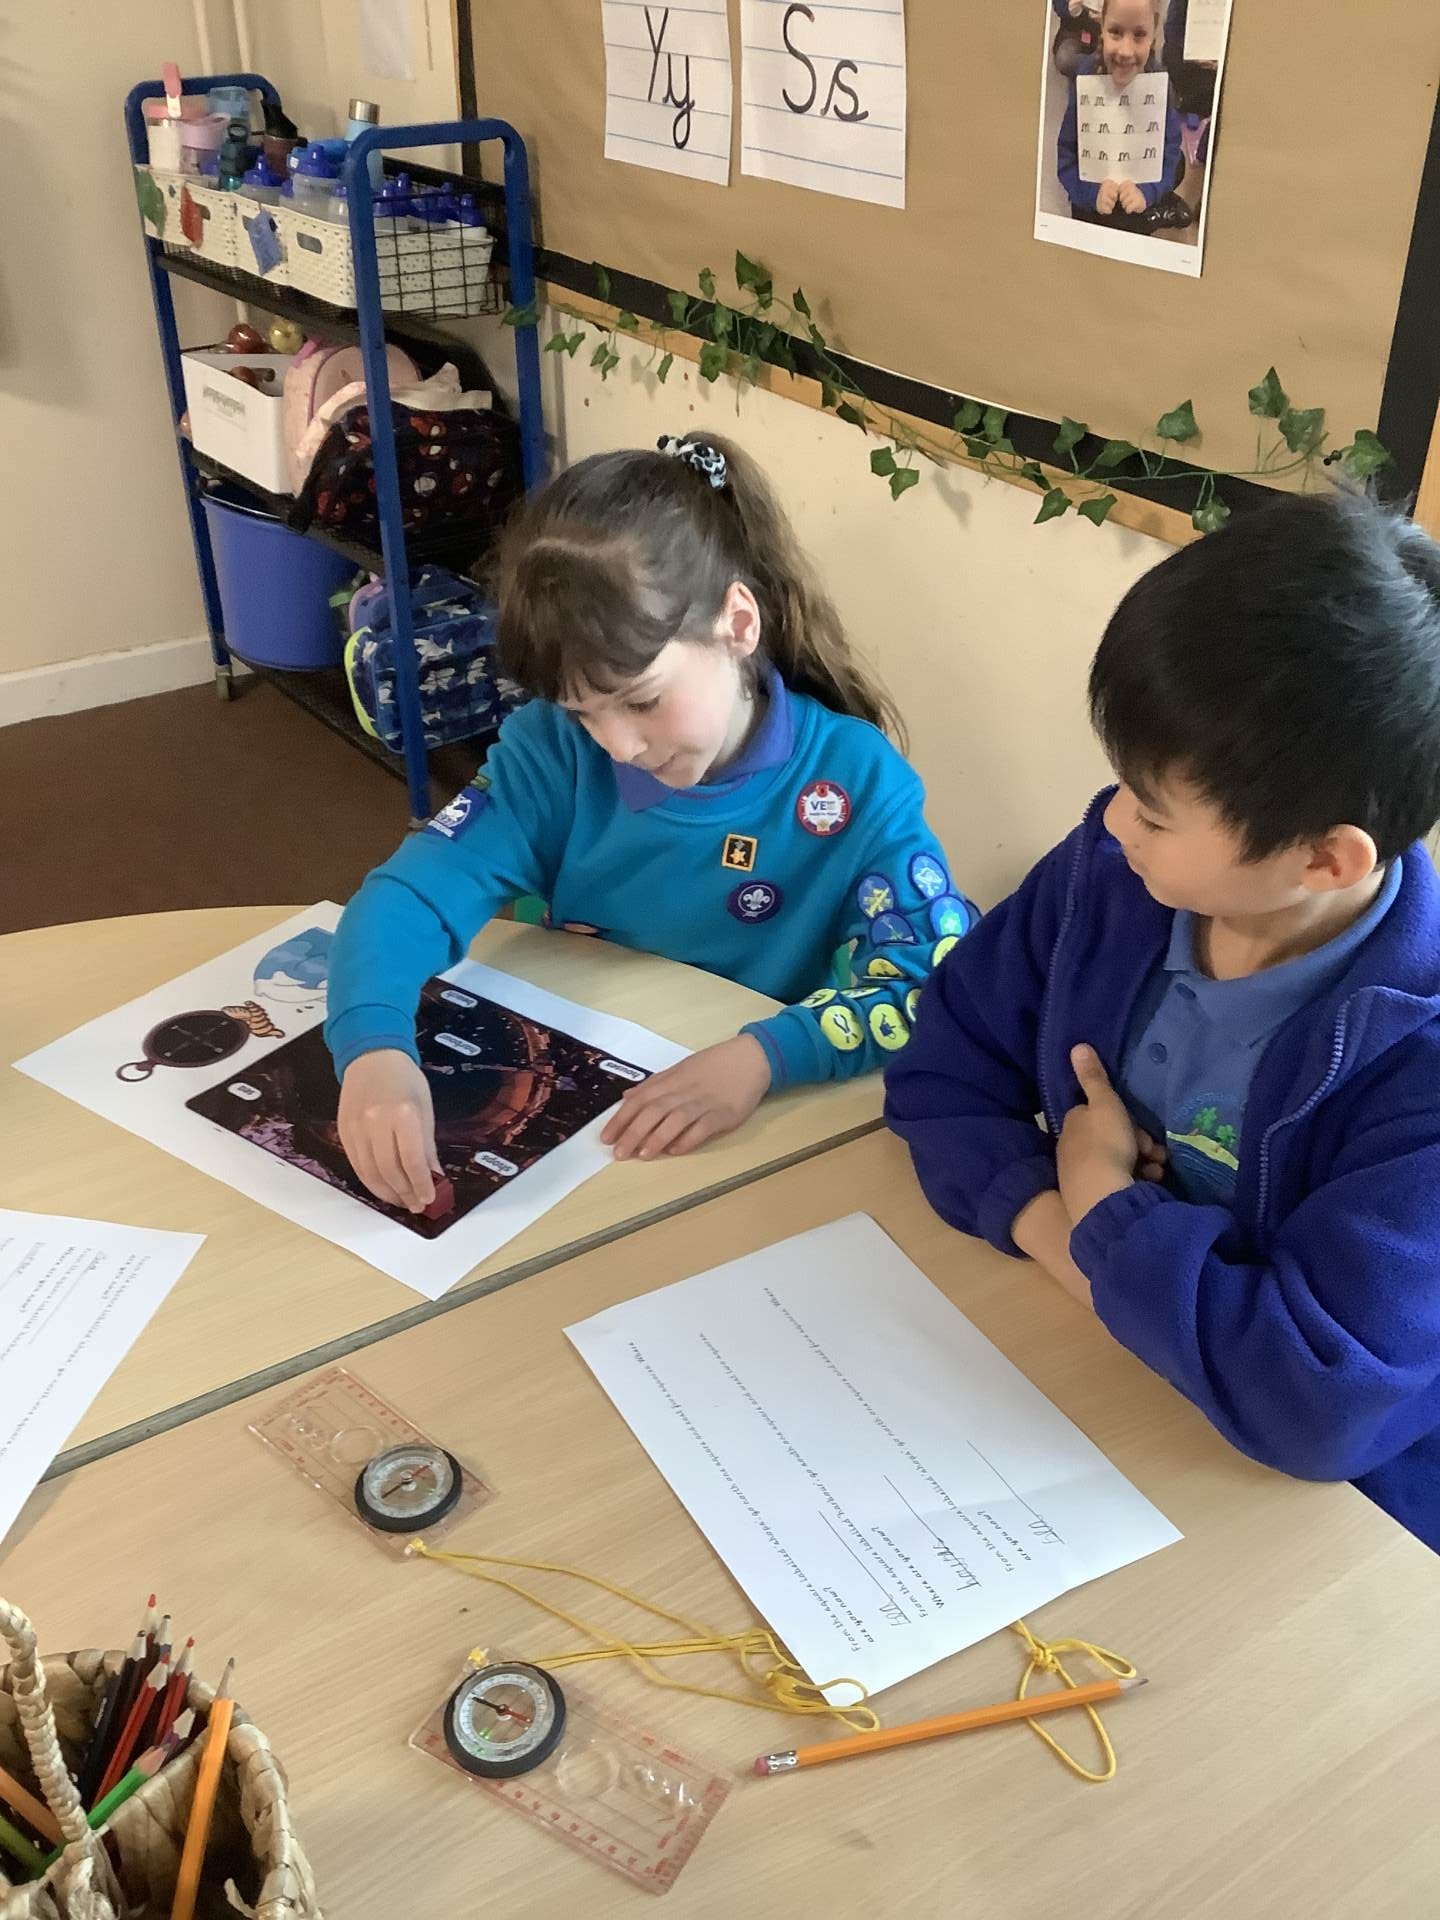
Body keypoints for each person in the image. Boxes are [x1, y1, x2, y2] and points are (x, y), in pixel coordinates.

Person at [886, 493, 1440, 1554]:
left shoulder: (1416, 1059)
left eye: (1153, 810)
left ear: (1326, 859)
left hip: (1320, 1525)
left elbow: (1320, 1403)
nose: (1110, 820)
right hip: (1096, 1395)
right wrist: (1059, 1231)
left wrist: (1102, 1202)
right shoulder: (1108, 880)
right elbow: (940, 1071)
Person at [327, 432, 969, 1212]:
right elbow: (408, 897)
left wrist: (764, 1058)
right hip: (589, 1110)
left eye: (641, 700)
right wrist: (374, 1047)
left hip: (742, 1128)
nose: (618, 745)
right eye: (582, 711)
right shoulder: (553, 752)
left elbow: (931, 980)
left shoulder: (857, 782)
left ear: (738, 624)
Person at [1055, 0, 1186, 233]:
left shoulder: (1160, 84)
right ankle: (1161, 210)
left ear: (1153, 34)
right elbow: (1067, 156)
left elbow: (1171, 150)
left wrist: (1147, 193)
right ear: (1102, 28)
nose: (1125, 51)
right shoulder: (1086, 79)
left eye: (1139, 35)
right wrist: (1091, 194)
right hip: (1093, 202)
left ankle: (1157, 208)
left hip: (1137, 197)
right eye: (1115, 32)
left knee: (1179, 164)